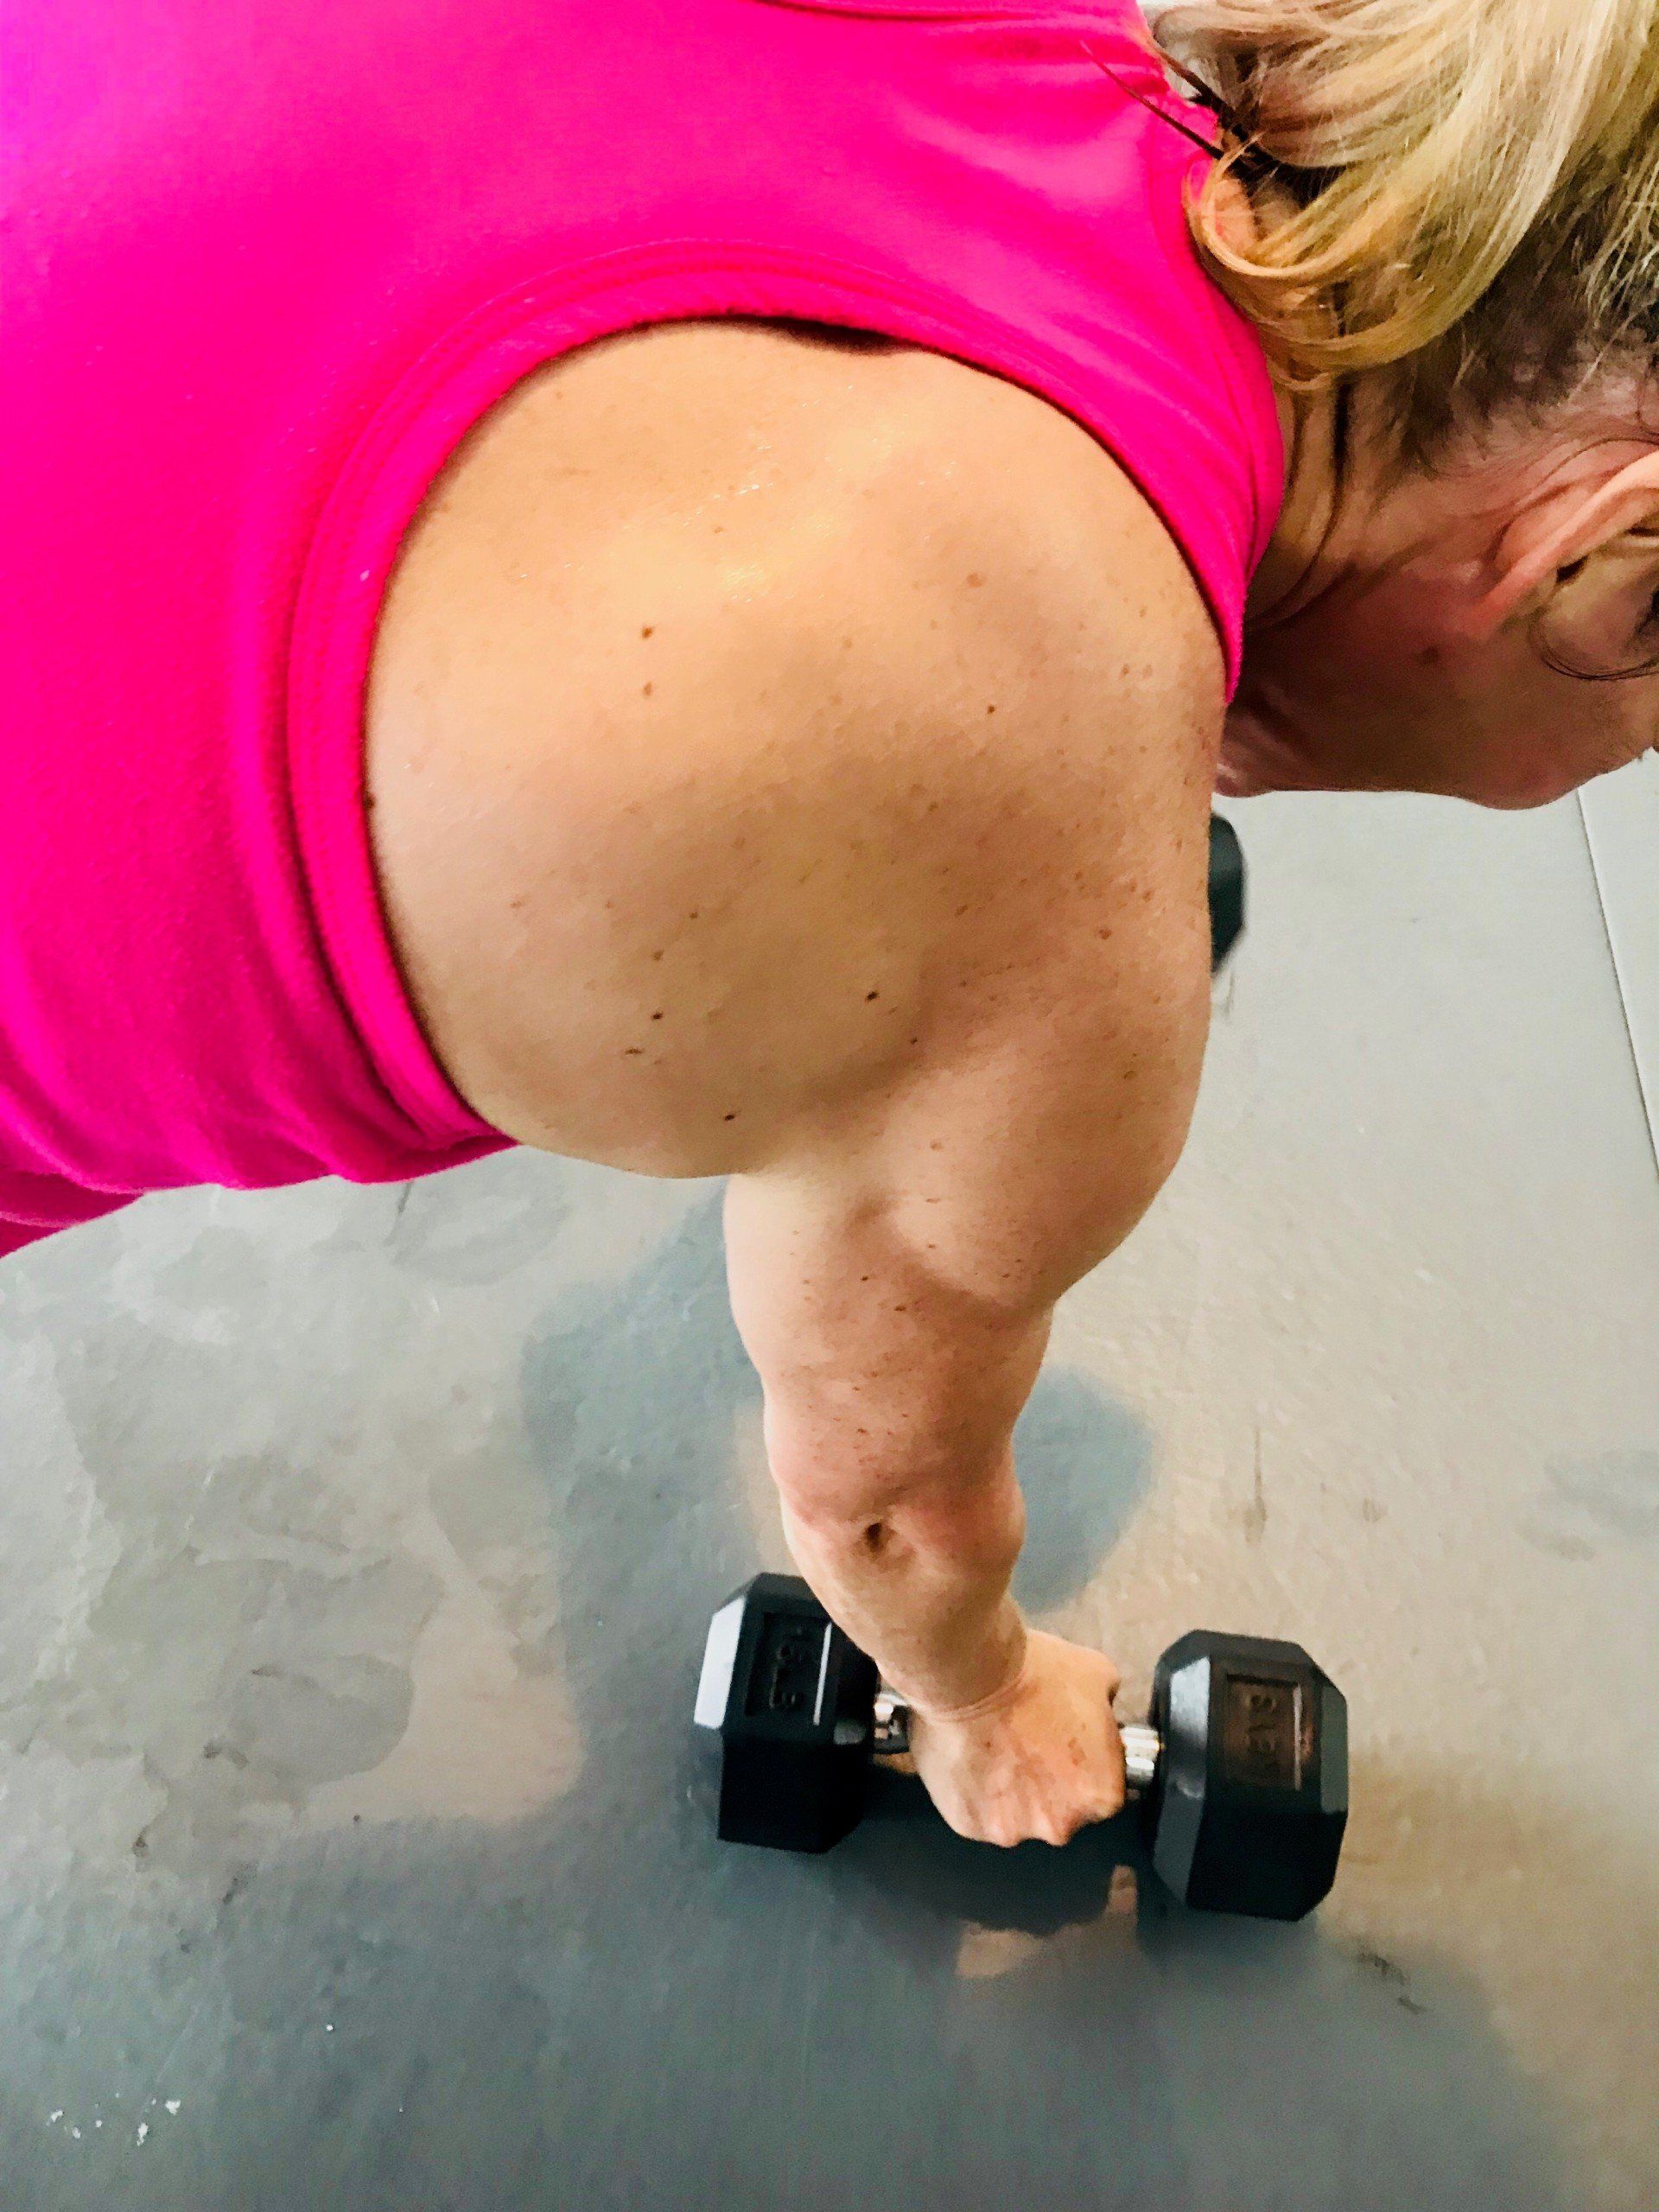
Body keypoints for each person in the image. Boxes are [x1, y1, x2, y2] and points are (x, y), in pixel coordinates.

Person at [5, 0, 1658, 1850]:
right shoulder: (1019, 768)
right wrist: (980, 1700)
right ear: (1607, 571)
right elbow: (885, 1508)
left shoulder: (1036, 49)